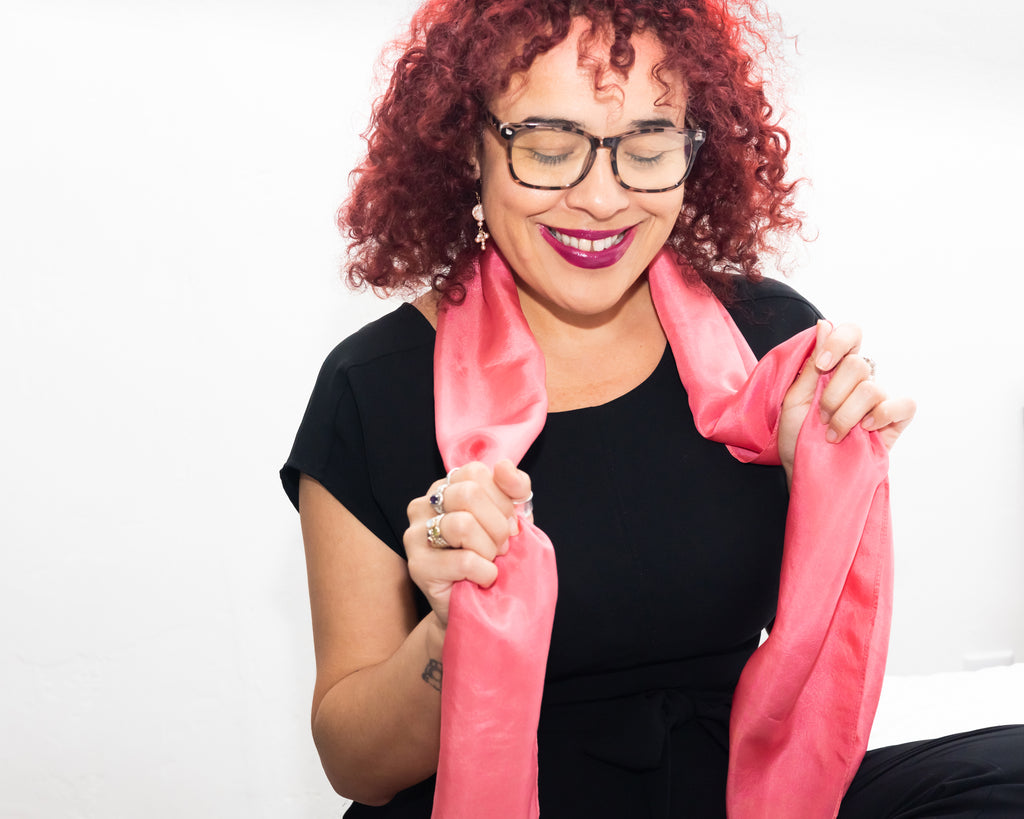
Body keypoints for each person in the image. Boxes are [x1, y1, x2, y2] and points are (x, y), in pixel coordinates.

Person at [282, 1, 1024, 816]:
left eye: (647, 145)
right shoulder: (372, 385)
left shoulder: (765, 343)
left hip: (735, 787)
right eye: (549, 145)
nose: (602, 199)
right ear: (469, 145)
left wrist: (824, 457)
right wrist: (449, 634)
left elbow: (820, 633)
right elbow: (356, 763)